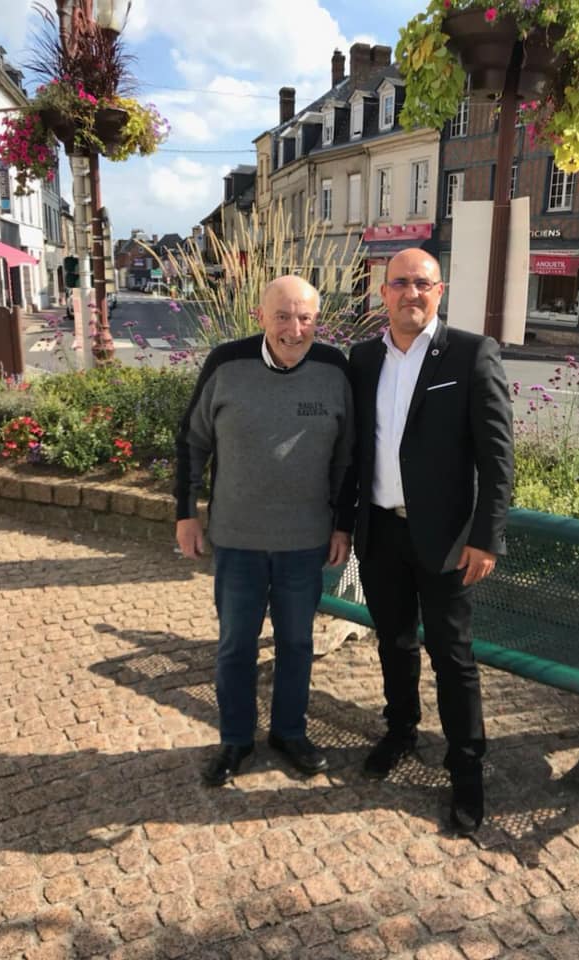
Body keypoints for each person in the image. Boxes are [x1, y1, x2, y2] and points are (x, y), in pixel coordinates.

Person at [348, 248, 514, 834]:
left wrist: (486, 538)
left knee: (452, 657)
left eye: (422, 283)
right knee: (393, 642)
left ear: (439, 291)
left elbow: (497, 457)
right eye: (400, 283)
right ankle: (400, 730)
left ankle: (466, 767)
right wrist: (344, 522)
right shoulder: (363, 357)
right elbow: (354, 449)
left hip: (446, 541)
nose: (410, 293)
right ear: (383, 292)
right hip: (379, 530)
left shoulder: (471, 353)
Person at [176, 275, 354, 786]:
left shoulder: (334, 369)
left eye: (305, 318)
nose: (294, 329)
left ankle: (289, 733)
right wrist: (186, 512)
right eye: (282, 316)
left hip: (305, 540)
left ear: (317, 321)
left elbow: (349, 457)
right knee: (236, 645)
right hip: (238, 539)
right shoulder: (226, 364)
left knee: (297, 643)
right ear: (260, 317)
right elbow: (191, 440)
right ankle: (236, 739)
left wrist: (343, 526)